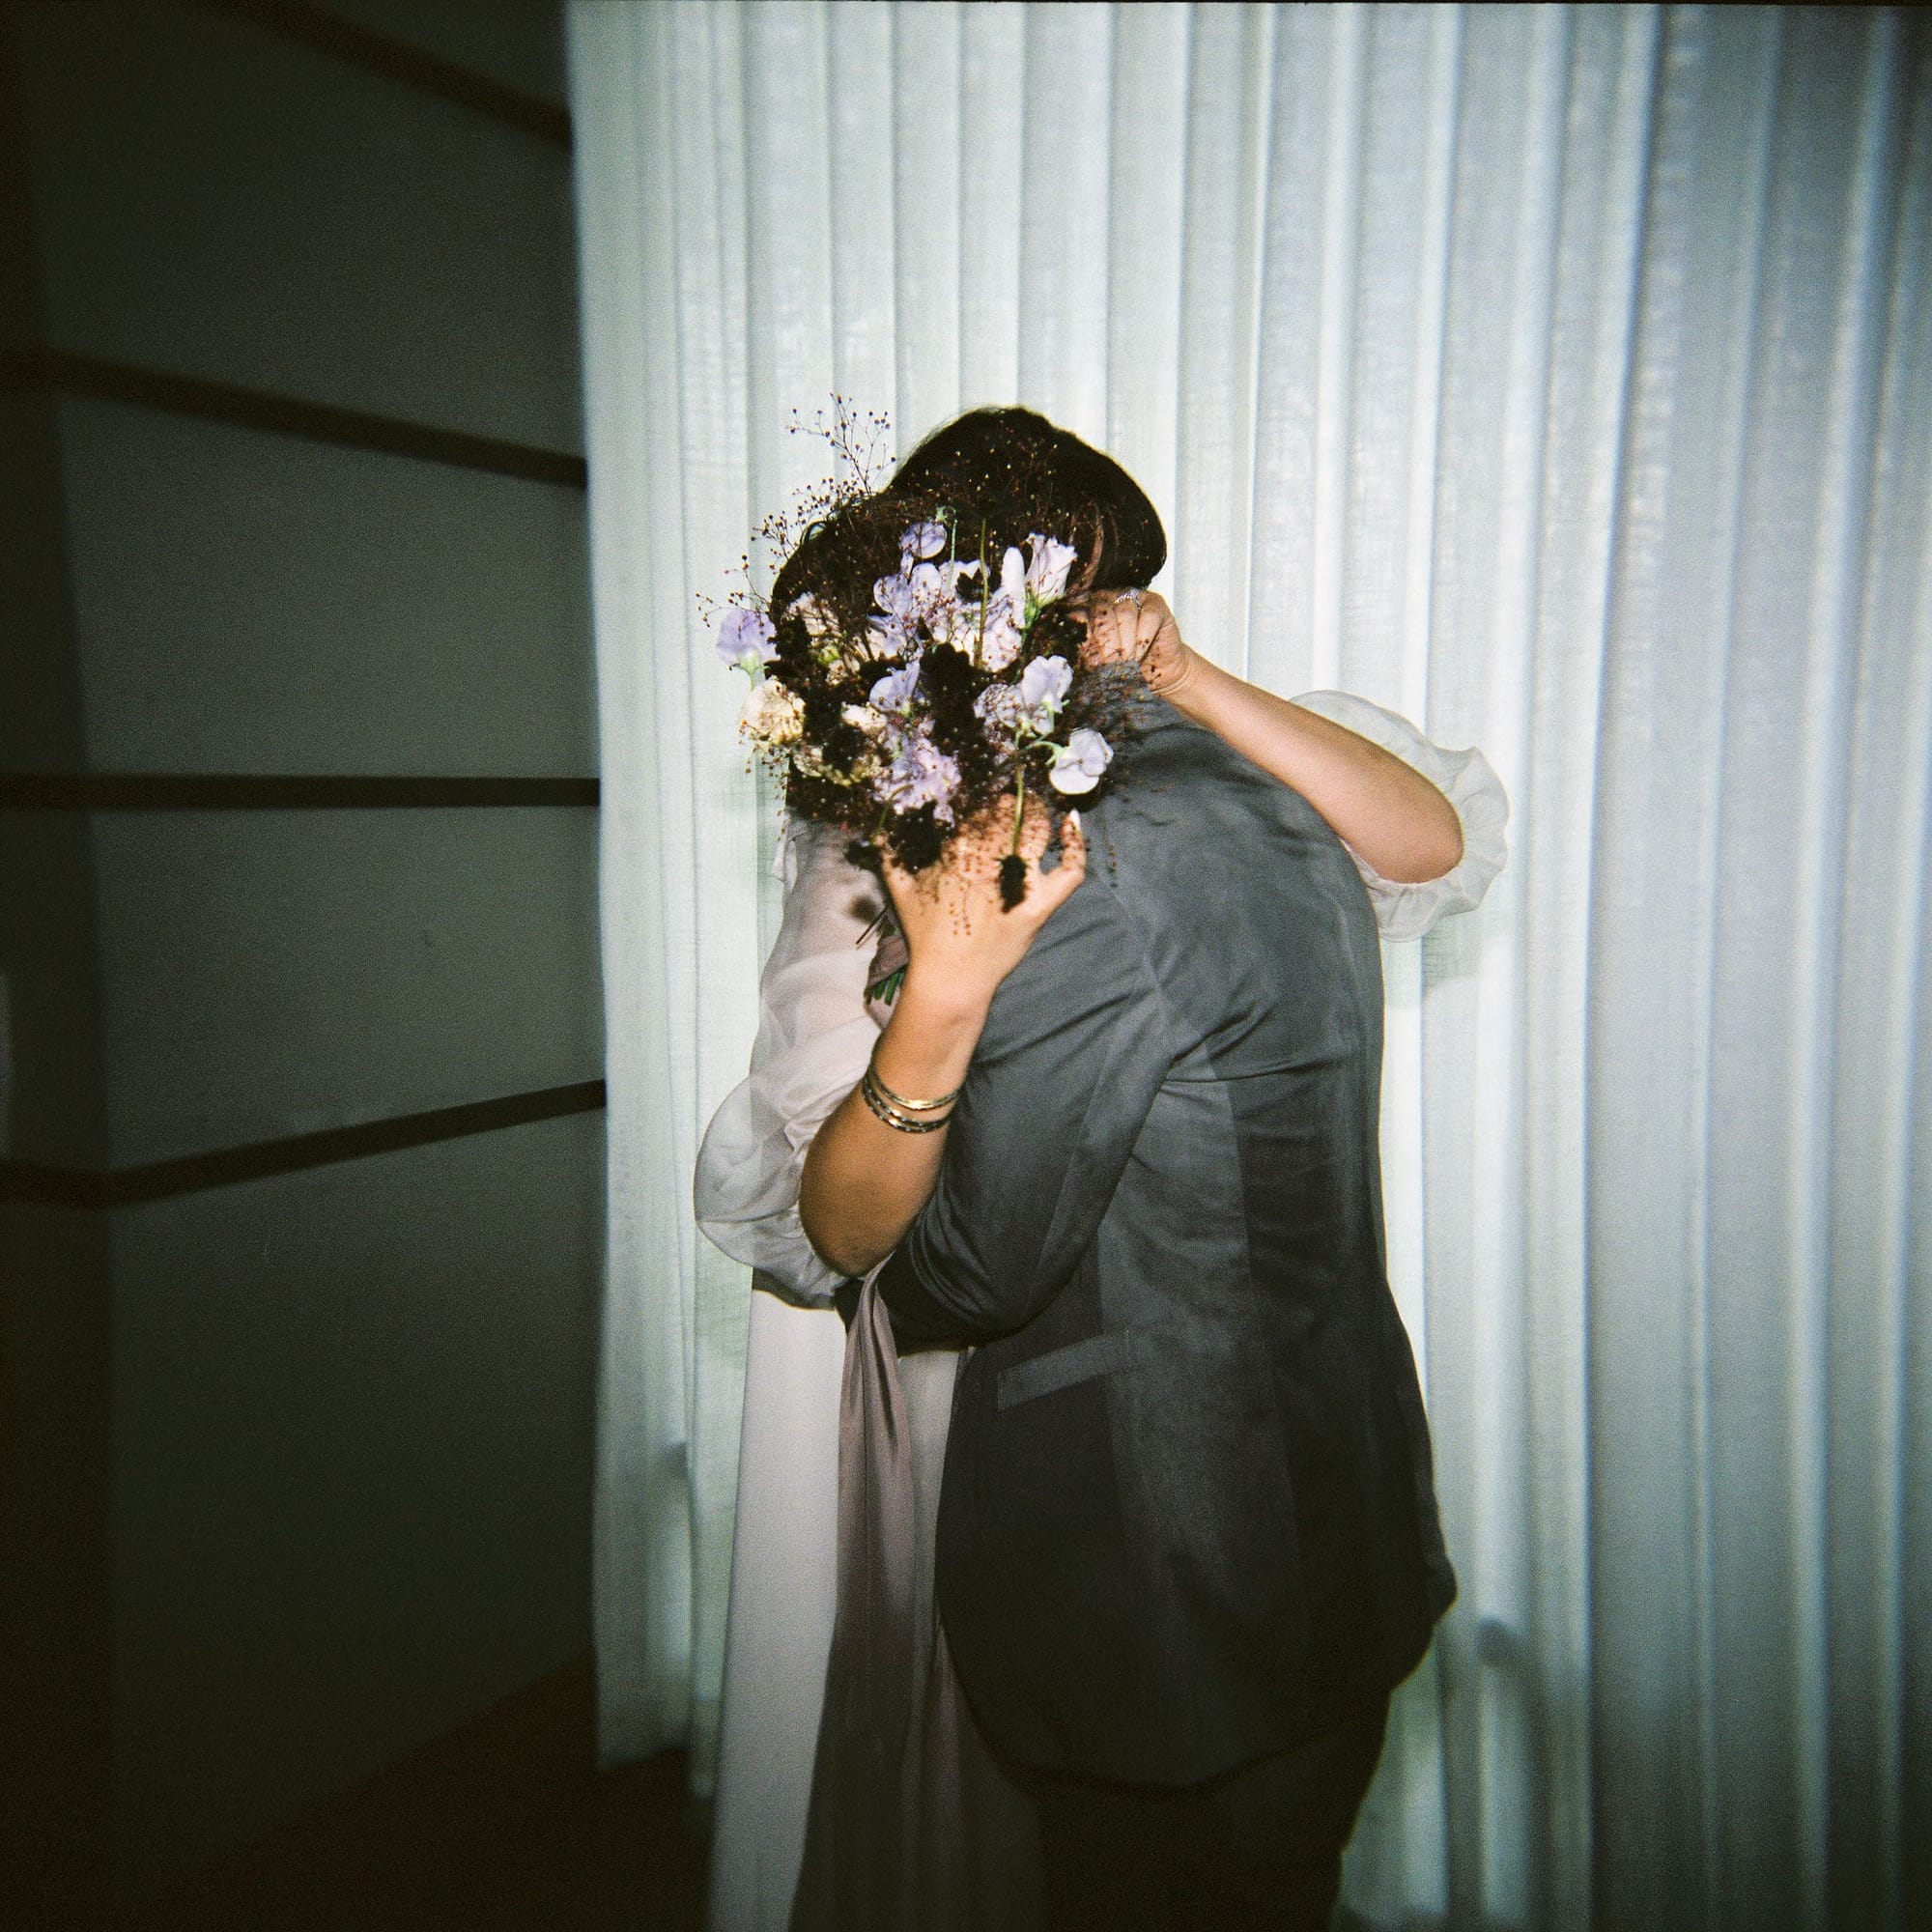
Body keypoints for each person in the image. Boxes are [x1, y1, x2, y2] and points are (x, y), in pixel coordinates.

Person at [696, 408, 1509, 1932]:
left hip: (1167, 1551)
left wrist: (933, 1046)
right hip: (1320, 1498)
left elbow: (954, 1266)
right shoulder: (1263, 806)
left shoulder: (1080, 862)